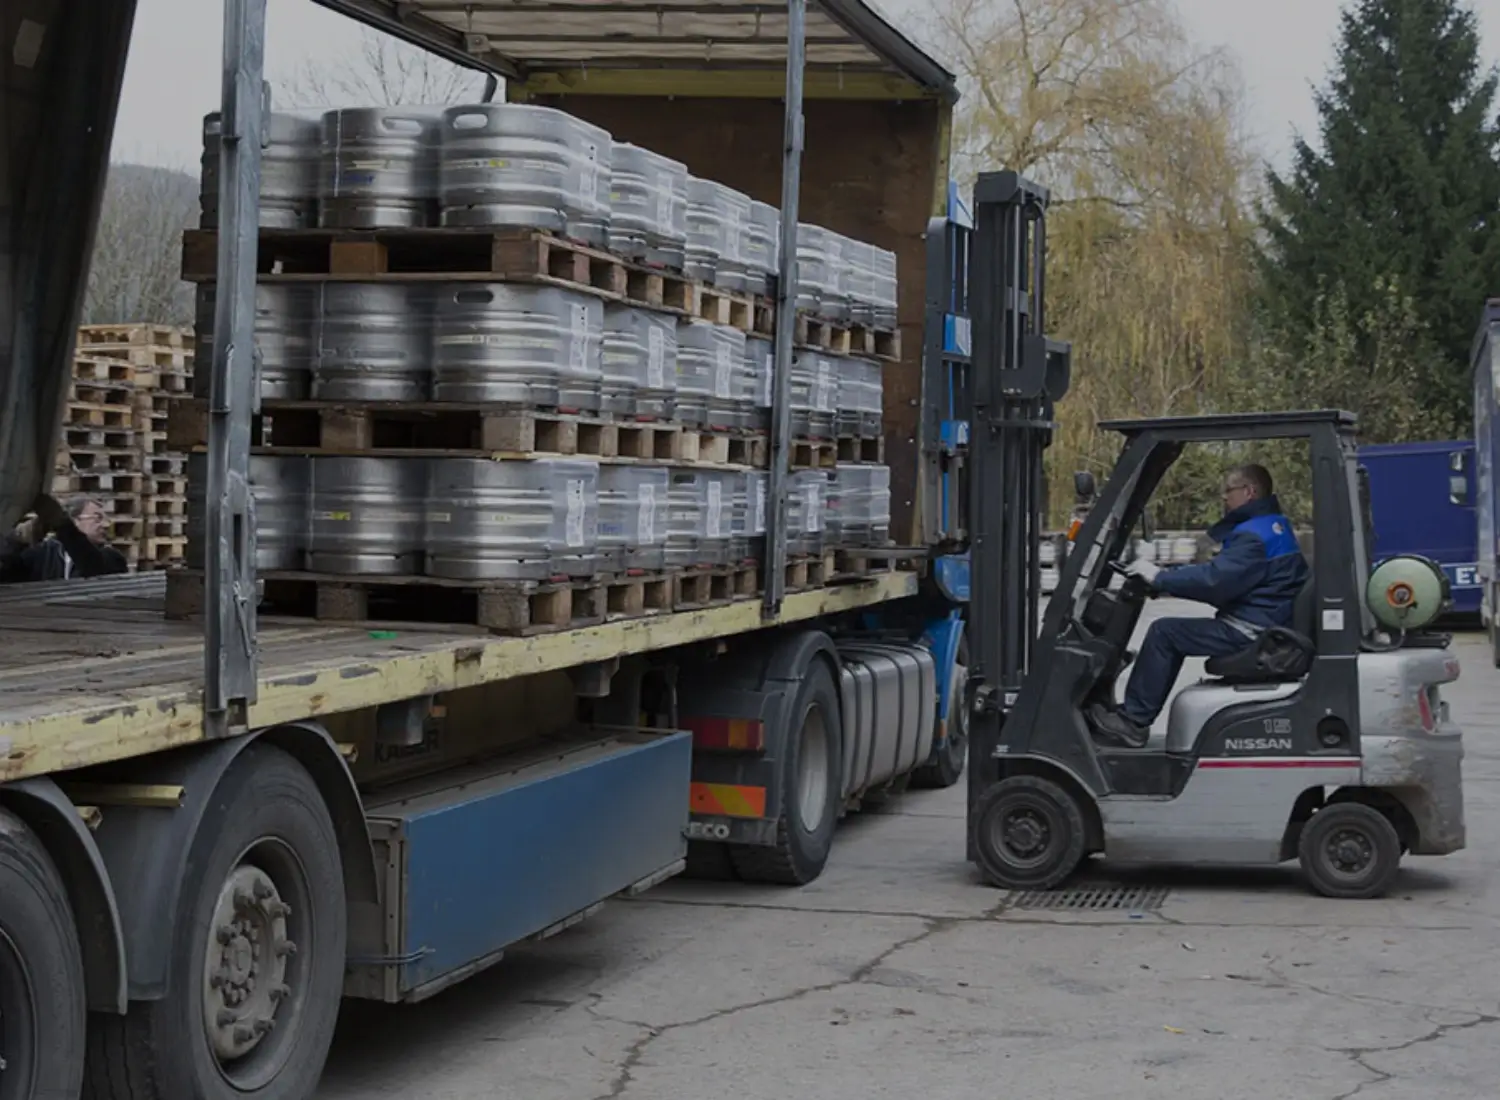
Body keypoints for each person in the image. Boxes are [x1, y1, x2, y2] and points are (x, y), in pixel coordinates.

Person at [1089, 463, 1309, 748]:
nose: (1224, 498)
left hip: (1252, 630)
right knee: (1169, 628)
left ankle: (1132, 722)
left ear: (1249, 492)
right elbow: (1224, 578)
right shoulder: (1273, 526)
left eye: (1228, 491)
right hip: (1267, 620)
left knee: (1164, 633)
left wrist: (1160, 577)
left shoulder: (1252, 536)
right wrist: (1165, 581)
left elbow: (1215, 581)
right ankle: (1131, 715)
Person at [0, 495, 130, 583]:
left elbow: (91, 566)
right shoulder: (42, 554)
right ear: (74, 520)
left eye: (106, 519)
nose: (106, 525)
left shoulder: (112, 558)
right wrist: (18, 539)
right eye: (97, 518)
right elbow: (7, 575)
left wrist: (62, 525)